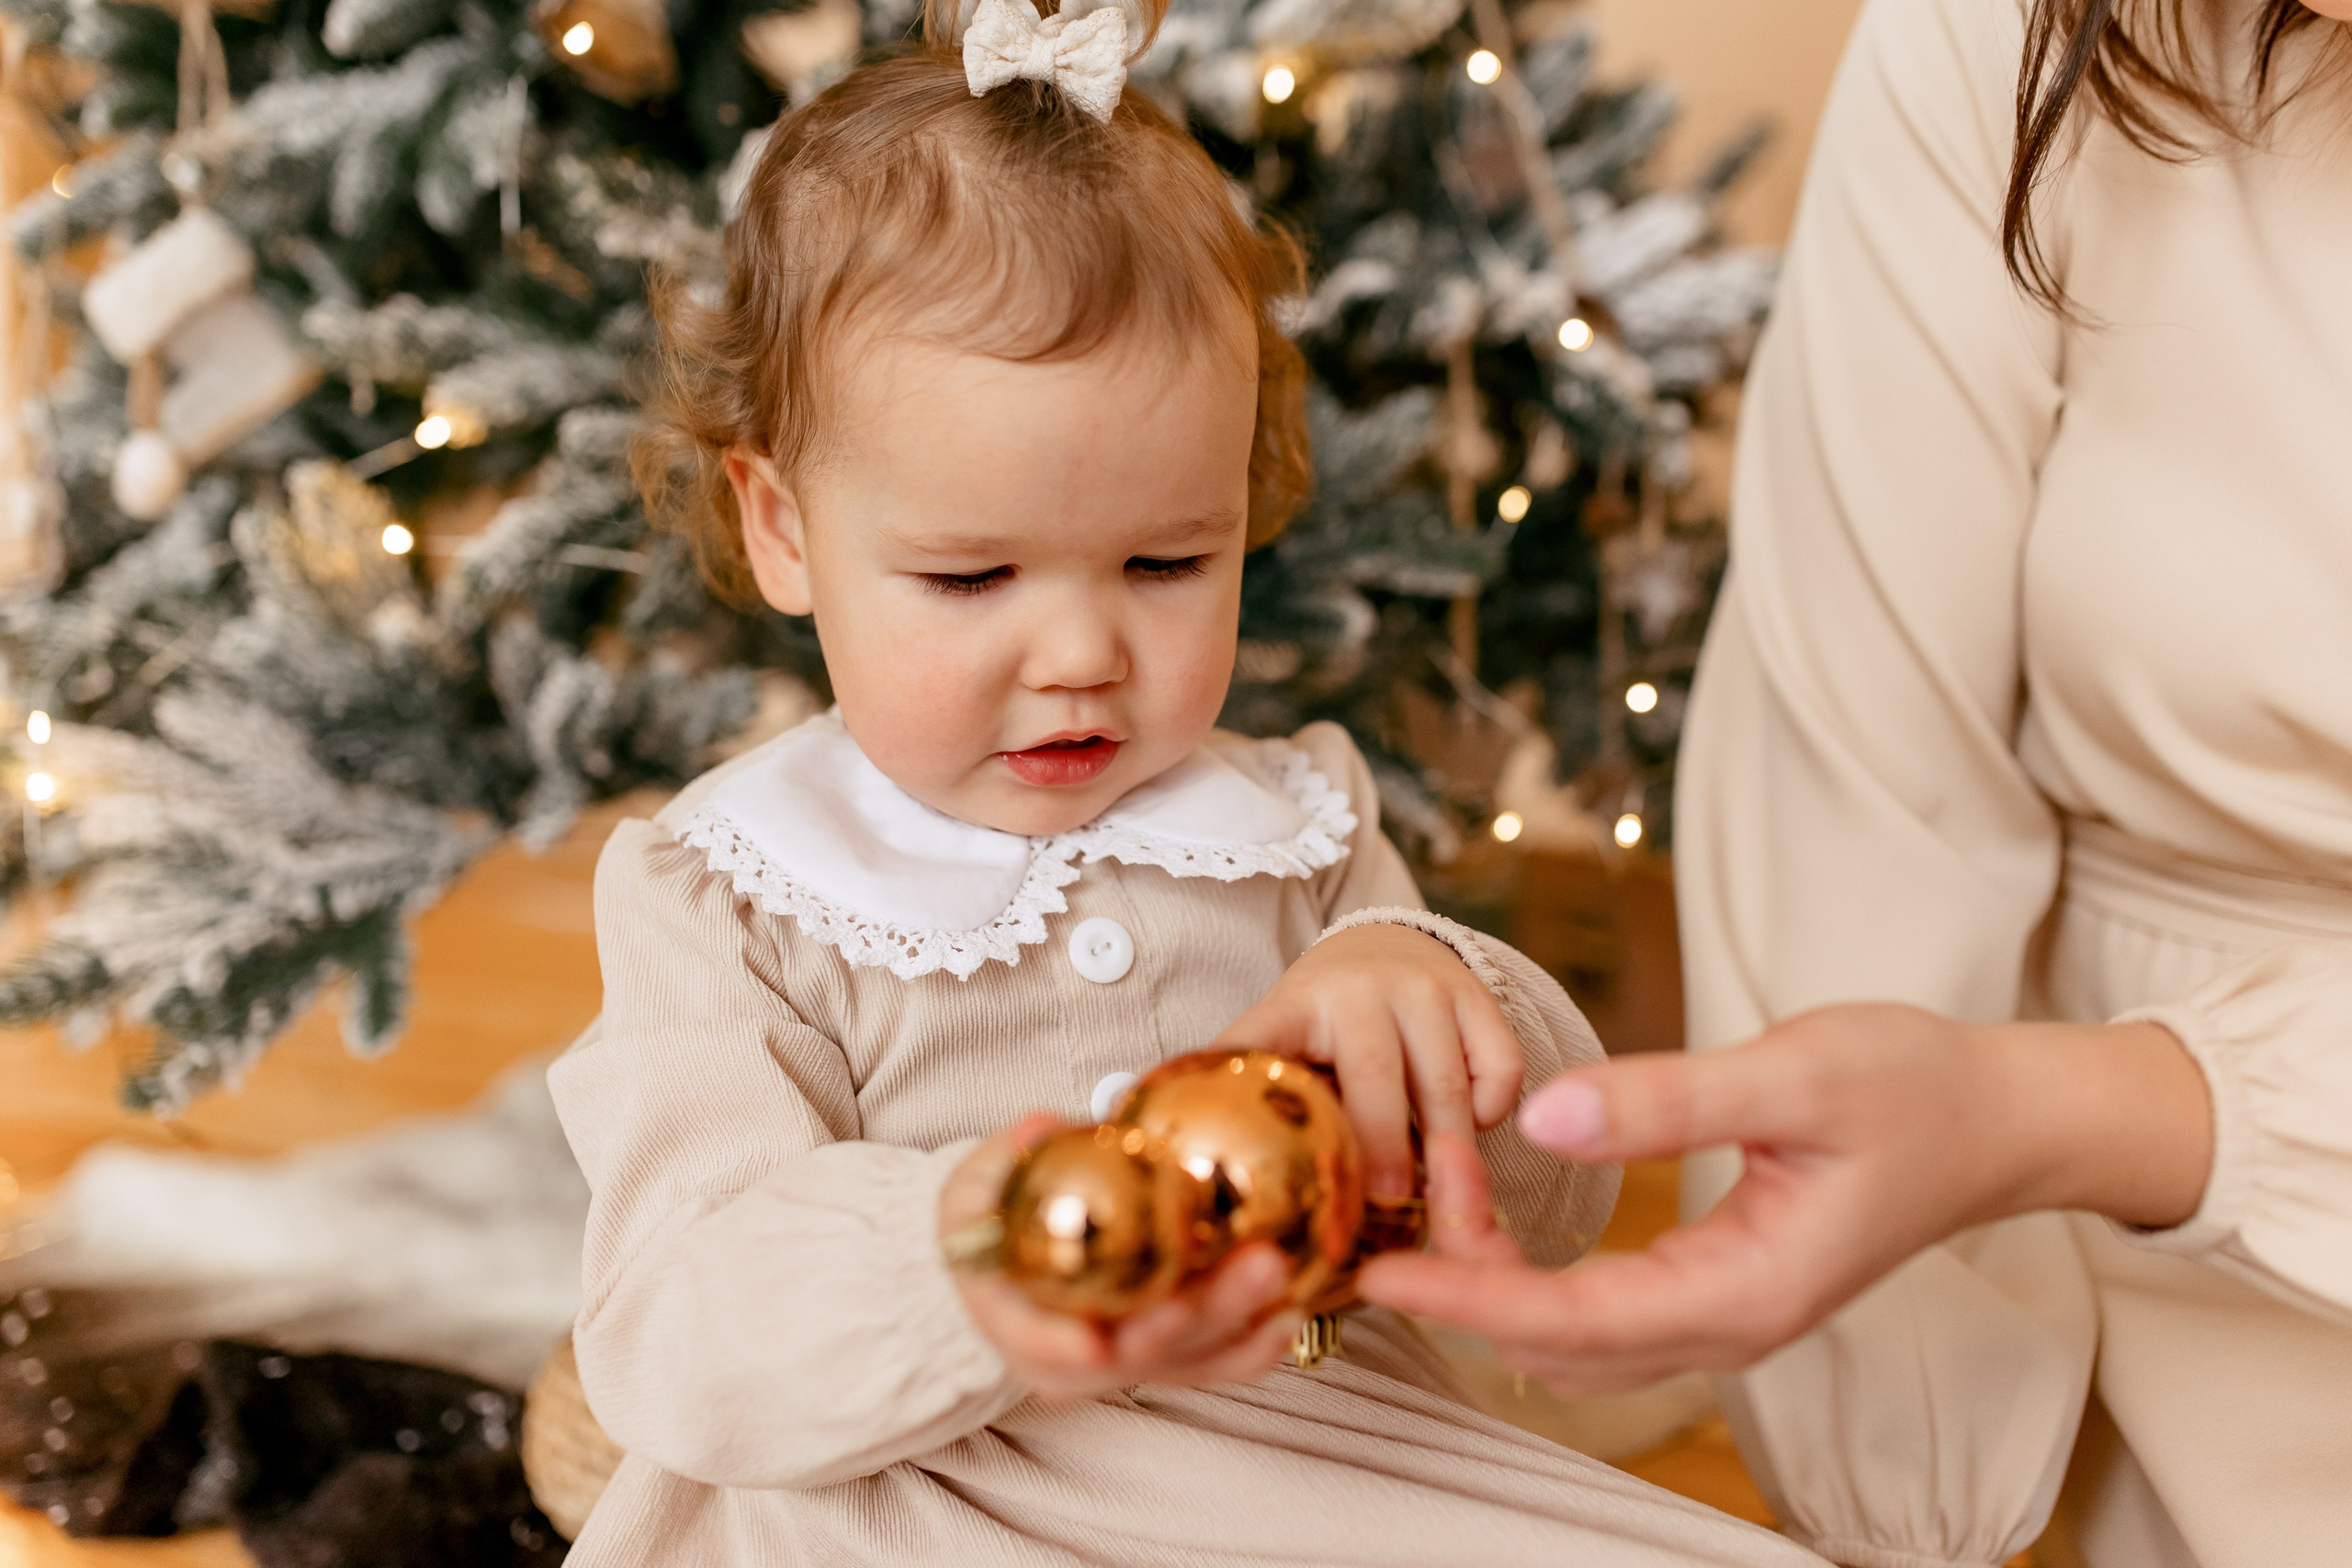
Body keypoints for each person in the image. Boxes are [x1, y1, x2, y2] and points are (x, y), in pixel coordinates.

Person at [542, 0, 1831, 1561]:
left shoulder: (1295, 826)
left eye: (1167, 559)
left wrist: (1420, 987)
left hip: (1315, 1449)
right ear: (783, 530)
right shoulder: (728, 889)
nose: (1081, 650)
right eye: (969, 577)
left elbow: (1541, 1213)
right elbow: (679, 1328)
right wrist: (986, 1259)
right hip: (910, 1486)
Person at [1362, 0, 2352, 1563]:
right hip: (2113, 1313)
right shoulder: (2012, 41)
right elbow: (1866, 755)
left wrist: (2072, 1112)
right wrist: (1891, 1451)